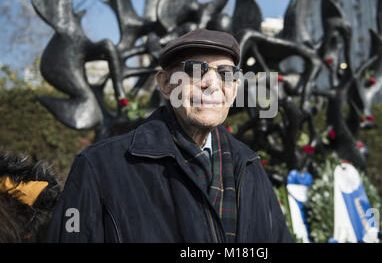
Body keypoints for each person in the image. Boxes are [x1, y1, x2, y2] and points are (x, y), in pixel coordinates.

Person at [45, 29, 294, 243]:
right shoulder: (99, 167)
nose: (212, 84)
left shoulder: (250, 166)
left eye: (226, 73)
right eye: (196, 70)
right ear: (165, 84)